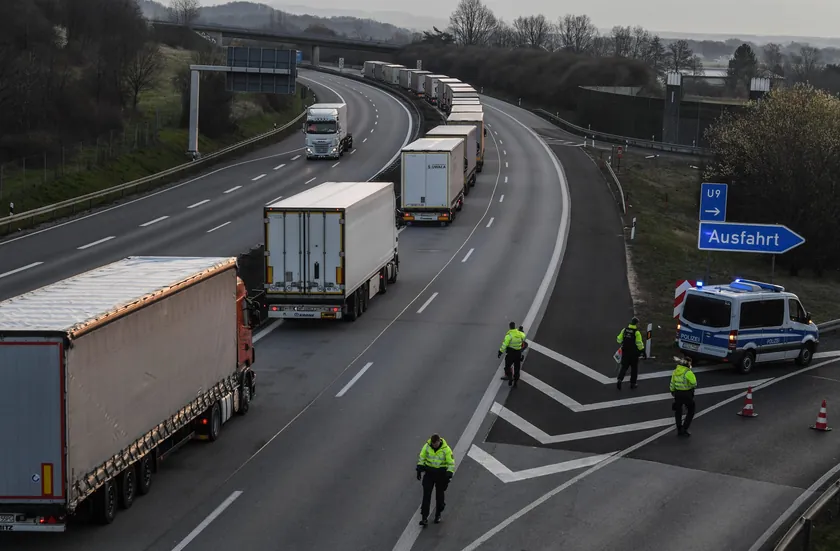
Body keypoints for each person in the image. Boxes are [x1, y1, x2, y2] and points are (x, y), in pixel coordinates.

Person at [416, 433, 455, 525]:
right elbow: (422, 457)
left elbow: (451, 463)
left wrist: (449, 473)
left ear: (439, 441)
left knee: (439, 496)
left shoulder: (446, 450)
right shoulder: (427, 446)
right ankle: (424, 517)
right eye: (433, 444)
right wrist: (419, 468)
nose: (434, 446)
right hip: (429, 473)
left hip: (441, 475)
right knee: (426, 495)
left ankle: (438, 514)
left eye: (435, 444)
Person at [670, 356, 697, 436]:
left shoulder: (675, 371)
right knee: (691, 410)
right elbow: (694, 383)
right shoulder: (688, 372)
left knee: (678, 411)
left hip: (677, 393)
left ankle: (679, 428)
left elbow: (672, 383)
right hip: (687, 394)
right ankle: (684, 428)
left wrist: (672, 391)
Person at [616, 317, 645, 390]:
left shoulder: (624, 330)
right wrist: (643, 351)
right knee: (634, 369)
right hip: (634, 354)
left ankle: (619, 379)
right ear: (636, 324)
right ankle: (633, 383)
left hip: (625, 352)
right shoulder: (636, 332)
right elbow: (639, 344)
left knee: (624, 367)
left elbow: (619, 340)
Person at [498, 322, 526, 387]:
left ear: (510, 327)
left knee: (507, 367)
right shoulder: (520, 334)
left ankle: (510, 377)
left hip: (510, 354)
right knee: (517, 369)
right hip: (518, 354)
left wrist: (500, 352)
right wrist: (521, 331)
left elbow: (505, 345)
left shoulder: (509, 335)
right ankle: (515, 383)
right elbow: (523, 336)